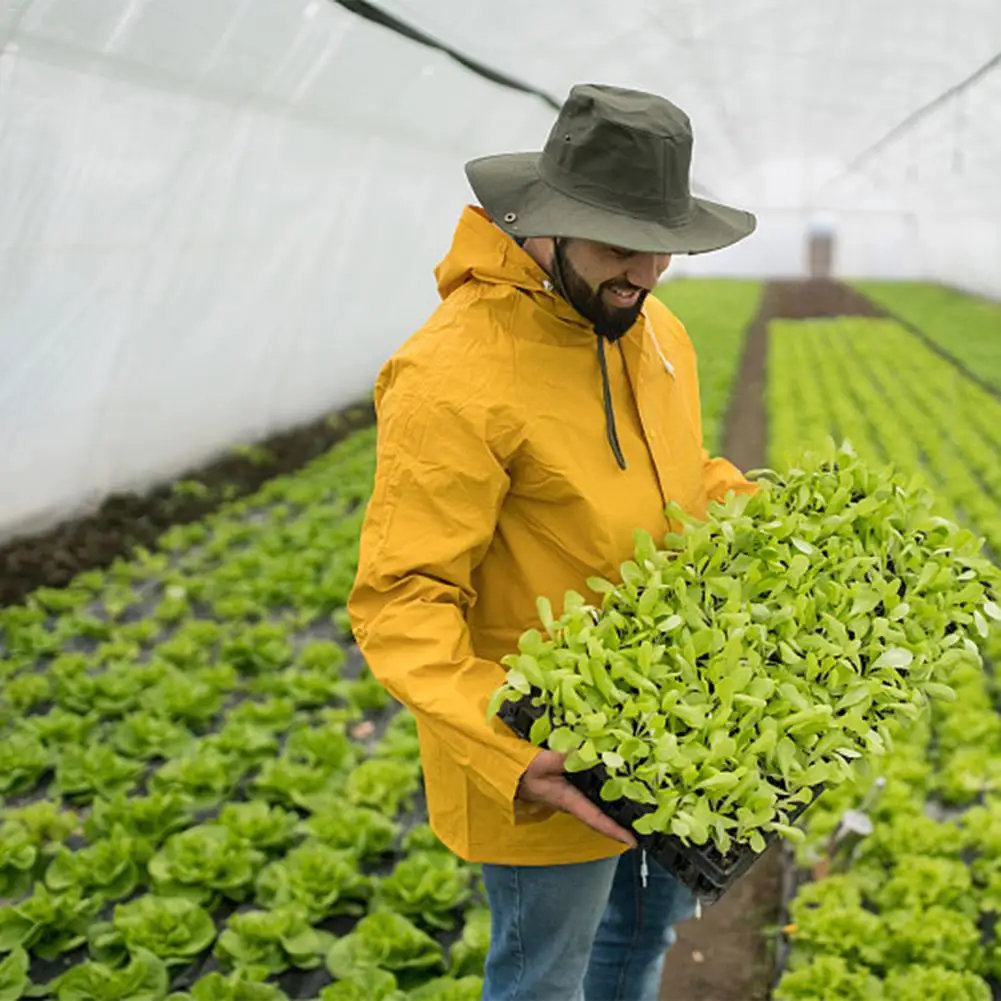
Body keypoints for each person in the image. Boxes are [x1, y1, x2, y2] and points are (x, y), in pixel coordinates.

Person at [347, 84, 758, 1001]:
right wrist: (512, 751)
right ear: (548, 222)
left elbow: (675, 477)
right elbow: (400, 601)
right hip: (550, 761)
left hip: (674, 726)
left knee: (639, 944)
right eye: (620, 245)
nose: (646, 272)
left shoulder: (653, 332)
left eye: (664, 247)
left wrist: (760, 518)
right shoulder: (452, 375)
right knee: (545, 979)